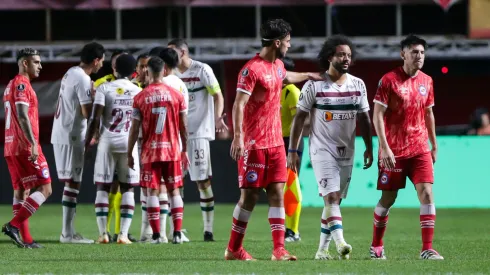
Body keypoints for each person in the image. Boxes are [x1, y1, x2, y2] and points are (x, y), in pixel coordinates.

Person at [226, 18, 324, 261]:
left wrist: (310, 75)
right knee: (249, 197)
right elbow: (239, 104)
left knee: (278, 194)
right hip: (253, 144)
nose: (290, 46)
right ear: (277, 42)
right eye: (288, 42)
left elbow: (286, 76)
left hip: (276, 144)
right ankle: (234, 249)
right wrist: (238, 137)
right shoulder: (251, 69)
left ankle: (279, 249)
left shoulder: (278, 66)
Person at [287, 35, 373, 260]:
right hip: (321, 150)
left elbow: (364, 118)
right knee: (332, 198)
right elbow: (298, 119)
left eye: (349, 55)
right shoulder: (313, 86)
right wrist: (293, 151)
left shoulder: (358, 85)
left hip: (347, 151)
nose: (346, 59)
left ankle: (321, 250)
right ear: (329, 57)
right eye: (341, 54)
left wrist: (369, 147)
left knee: (335, 202)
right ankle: (341, 243)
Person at [370, 34, 443, 260]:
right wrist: (384, 147)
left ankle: (427, 248)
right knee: (388, 199)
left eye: (421, 52)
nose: (419, 56)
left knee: (427, 194)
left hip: (420, 148)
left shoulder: (427, 81)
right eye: (414, 52)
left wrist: (434, 144)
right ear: (403, 54)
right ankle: (376, 245)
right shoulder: (389, 80)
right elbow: (378, 115)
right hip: (394, 150)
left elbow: (428, 113)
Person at [168, 39, 228, 242]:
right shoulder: (171, 73)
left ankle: (208, 230)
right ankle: (176, 230)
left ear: (183, 51)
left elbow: (217, 95)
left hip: (199, 133)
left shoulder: (202, 70)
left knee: (202, 181)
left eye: (172, 52)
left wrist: (218, 117)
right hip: (176, 135)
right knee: (175, 182)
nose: (169, 56)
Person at [128, 56, 189, 244]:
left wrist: (129, 152)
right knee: (174, 192)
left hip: (150, 152)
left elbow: (135, 128)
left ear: (148, 71)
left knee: (151, 193)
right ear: (164, 71)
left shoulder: (140, 97)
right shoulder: (177, 95)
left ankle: (155, 236)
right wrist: (184, 149)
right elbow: (184, 127)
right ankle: (177, 234)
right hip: (172, 150)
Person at [51, 42, 105, 244]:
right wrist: (96, 99)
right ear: (96, 60)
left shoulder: (71, 71)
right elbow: (85, 112)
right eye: (102, 61)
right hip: (71, 136)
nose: (102, 66)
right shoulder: (83, 79)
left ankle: (69, 232)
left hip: (63, 132)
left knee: (72, 182)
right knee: (73, 182)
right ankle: (66, 234)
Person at [84, 54, 142, 244]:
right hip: (128, 143)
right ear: (134, 71)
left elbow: (94, 118)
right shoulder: (137, 91)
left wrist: (88, 142)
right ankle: (123, 235)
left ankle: (103, 234)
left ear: (114, 68)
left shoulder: (104, 88)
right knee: (127, 188)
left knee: (103, 185)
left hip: (107, 142)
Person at [2, 48, 53, 248]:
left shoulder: (10, 85)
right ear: (25, 63)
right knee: (46, 188)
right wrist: (32, 143)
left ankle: (26, 239)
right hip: (24, 145)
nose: (40, 66)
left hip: (10, 145)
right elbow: (22, 114)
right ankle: (13, 226)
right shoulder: (22, 84)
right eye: (36, 62)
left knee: (21, 191)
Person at [279, 57, 304, 243]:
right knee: (276, 188)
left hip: (291, 143)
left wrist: (292, 149)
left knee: (291, 186)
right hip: (275, 141)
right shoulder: (273, 91)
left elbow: (299, 122)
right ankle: (283, 227)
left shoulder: (292, 92)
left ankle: (293, 231)